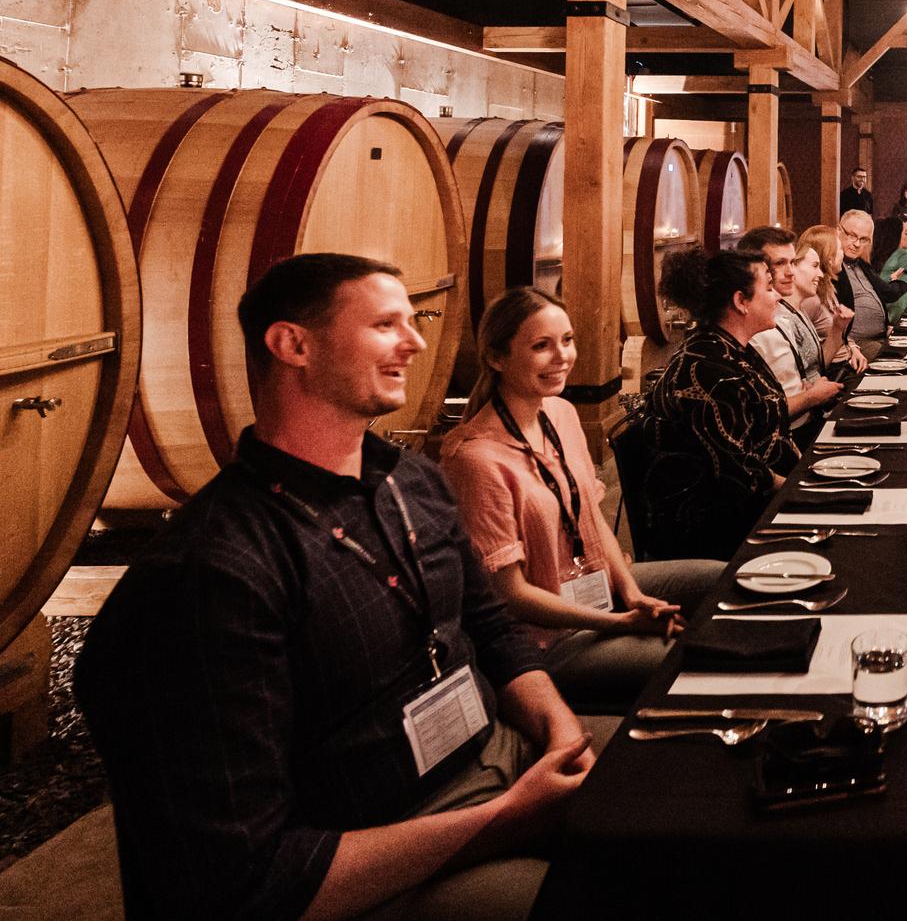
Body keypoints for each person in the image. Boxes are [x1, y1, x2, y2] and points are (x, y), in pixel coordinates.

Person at [77, 253, 594, 920]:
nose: (415, 342)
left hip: (499, 757)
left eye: (411, 321)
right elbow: (245, 884)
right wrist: (503, 819)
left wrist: (559, 728)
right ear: (292, 344)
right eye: (385, 324)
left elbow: (491, 628)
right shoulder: (210, 577)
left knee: (686, 804)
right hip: (382, 853)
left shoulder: (412, 480)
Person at [439, 288, 725, 714]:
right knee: (695, 660)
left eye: (567, 340)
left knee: (724, 578)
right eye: (541, 346)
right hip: (543, 642)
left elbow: (590, 516)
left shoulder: (560, 413)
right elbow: (511, 595)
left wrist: (631, 593)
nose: (562, 357)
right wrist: (619, 622)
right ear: (497, 358)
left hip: (597, 593)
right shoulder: (474, 457)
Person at [632, 249, 800, 560]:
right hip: (718, 529)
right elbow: (740, 474)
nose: (777, 296)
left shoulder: (731, 347)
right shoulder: (708, 370)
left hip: (755, 506)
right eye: (768, 287)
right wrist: (804, 489)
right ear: (741, 301)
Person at [738, 225, 844, 438]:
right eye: (780, 263)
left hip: (806, 423)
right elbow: (755, 417)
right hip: (788, 437)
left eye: (792, 262)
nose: (791, 272)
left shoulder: (782, 315)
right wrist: (811, 397)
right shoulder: (750, 328)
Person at [834, 209, 907, 357]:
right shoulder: (832, 267)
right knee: (904, 357)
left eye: (863, 239)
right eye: (852, 236)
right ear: (838, 231)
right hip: (855, 345)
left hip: (881, 337)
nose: (857, 244)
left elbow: (886, 292)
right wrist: (850, 344)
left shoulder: (861, 264)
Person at [794, 223, 865, 375]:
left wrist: (852, 347)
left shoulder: (827, 287)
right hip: (834, 372)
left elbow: (839, 333)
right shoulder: (810, 299)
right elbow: (811, 365)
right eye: (839, 250)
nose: (843, 254)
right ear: (829, 257)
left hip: (846, 363)